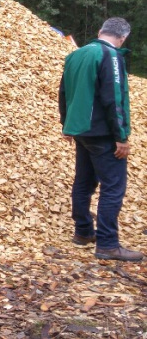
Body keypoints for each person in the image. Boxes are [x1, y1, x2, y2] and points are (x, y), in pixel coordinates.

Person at [59, 17, 142, 261]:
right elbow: (114, 98)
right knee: (113, 187)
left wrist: (66, 124)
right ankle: (107, 243)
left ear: (99, 31)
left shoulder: (77, 53)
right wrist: (122, 136)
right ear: (123, 37)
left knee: (84, 181)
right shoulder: (111, 56)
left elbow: (64, 90)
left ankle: (83, 232)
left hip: (80, 129)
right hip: (102, 132)